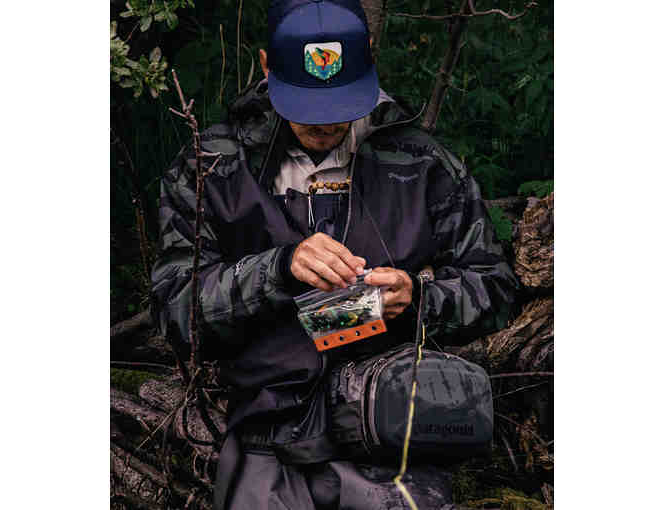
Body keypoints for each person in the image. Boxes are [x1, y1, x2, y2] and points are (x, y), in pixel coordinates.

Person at [151, 1, 519, 508]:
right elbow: (176, 310)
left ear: (369, 57)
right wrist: (278, 268)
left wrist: (418, 297)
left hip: (392, 435)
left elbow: (494, 287)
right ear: (266, 66)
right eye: (307, 108)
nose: (324, 125)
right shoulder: (213, 166)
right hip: (267, 436)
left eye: (339, 106)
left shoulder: (422, 164)